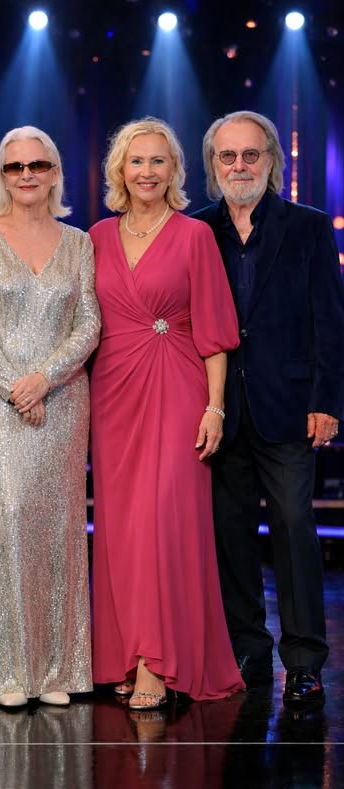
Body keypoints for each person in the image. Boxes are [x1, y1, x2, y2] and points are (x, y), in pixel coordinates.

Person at [89, 117, 245, 710]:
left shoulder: (194, 236)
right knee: (123, 530)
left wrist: (214, 407)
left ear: (175, 170)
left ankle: (157, 661)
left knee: (165, 522)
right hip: (112, 394)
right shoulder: (96, 237)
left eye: (159, 161)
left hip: (178, 388)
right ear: (119, 169)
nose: (147, 172)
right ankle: (126, 654)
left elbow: (215, 333)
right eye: (137, 161)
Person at [193, 110, 344, 705]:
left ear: (271, 160)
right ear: (213, 165)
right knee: (229, 534)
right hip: (220, 411)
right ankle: (247, 650)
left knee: (293, 529)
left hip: (289, 407)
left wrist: (326, 401)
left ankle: (304, 661)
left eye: (250, 154)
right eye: (227, 156)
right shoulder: (196, 229)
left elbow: (330, 321)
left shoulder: (308, 227)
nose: (239, 166)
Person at [0, 125, 100, 708]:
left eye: (38, 165)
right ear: (1, 175)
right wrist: (16, 388)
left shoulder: (79, 242)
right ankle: (10, 670)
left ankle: (59, 670)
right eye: (15, 167)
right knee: (9, 518)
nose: (27, 175)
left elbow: (89, 323)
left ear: (55, 172)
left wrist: (46, 378)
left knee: (60, 526)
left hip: (63, 399)